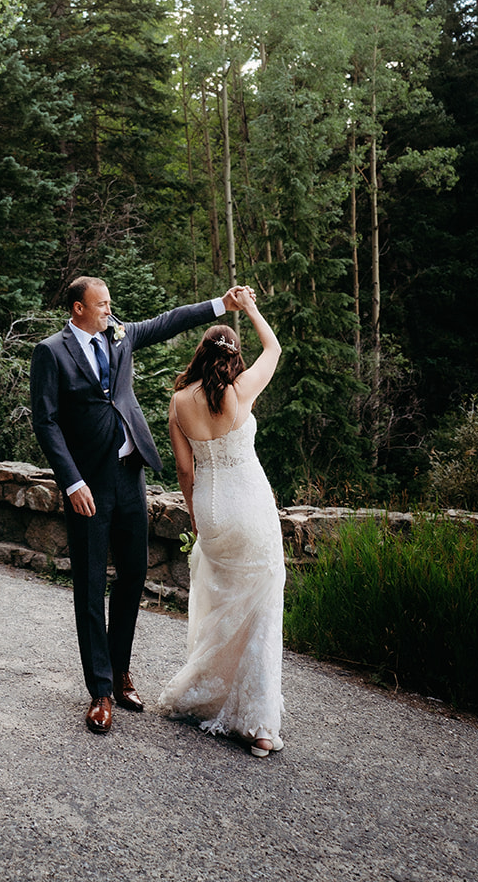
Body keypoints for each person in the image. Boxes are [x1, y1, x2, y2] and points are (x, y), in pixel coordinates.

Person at [30, 275, 251, 734]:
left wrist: (220, 304)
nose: (110, 310)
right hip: (87, 484)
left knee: (133, 575)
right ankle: (100, 692)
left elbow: (168, 323)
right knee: (91, 585)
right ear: (77, 309)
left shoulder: (119, 333)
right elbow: (46, 423)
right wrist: (71, 482)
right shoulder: (51, 353)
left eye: (111, 303)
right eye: (102, 304)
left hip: (131, 475)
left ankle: (122, 669)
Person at [156, 286, 285, 756]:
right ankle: (259, 725)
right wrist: (250, 306)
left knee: (219, 603)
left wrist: (197, 518)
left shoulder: (178, 402)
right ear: (231, 358)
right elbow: (273, 349)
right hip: (250, 505)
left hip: (211, 508)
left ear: (199, 353)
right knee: (261, 607)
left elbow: (185, 471)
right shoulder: (238, 392)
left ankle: (205, 693)